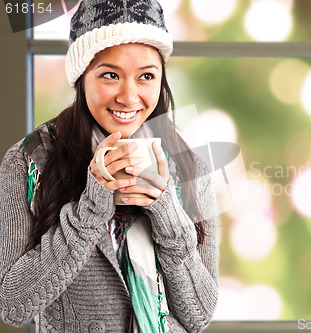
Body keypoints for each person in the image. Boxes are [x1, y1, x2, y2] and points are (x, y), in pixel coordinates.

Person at [0, 0, 218, 332]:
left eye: (146, 76)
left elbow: (198, 315)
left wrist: (164, 206)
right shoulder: (29, 161)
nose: (129, 97)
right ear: (81, 77)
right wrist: (90, 207)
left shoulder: (190, 165)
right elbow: (12, 305)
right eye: (110, 75)